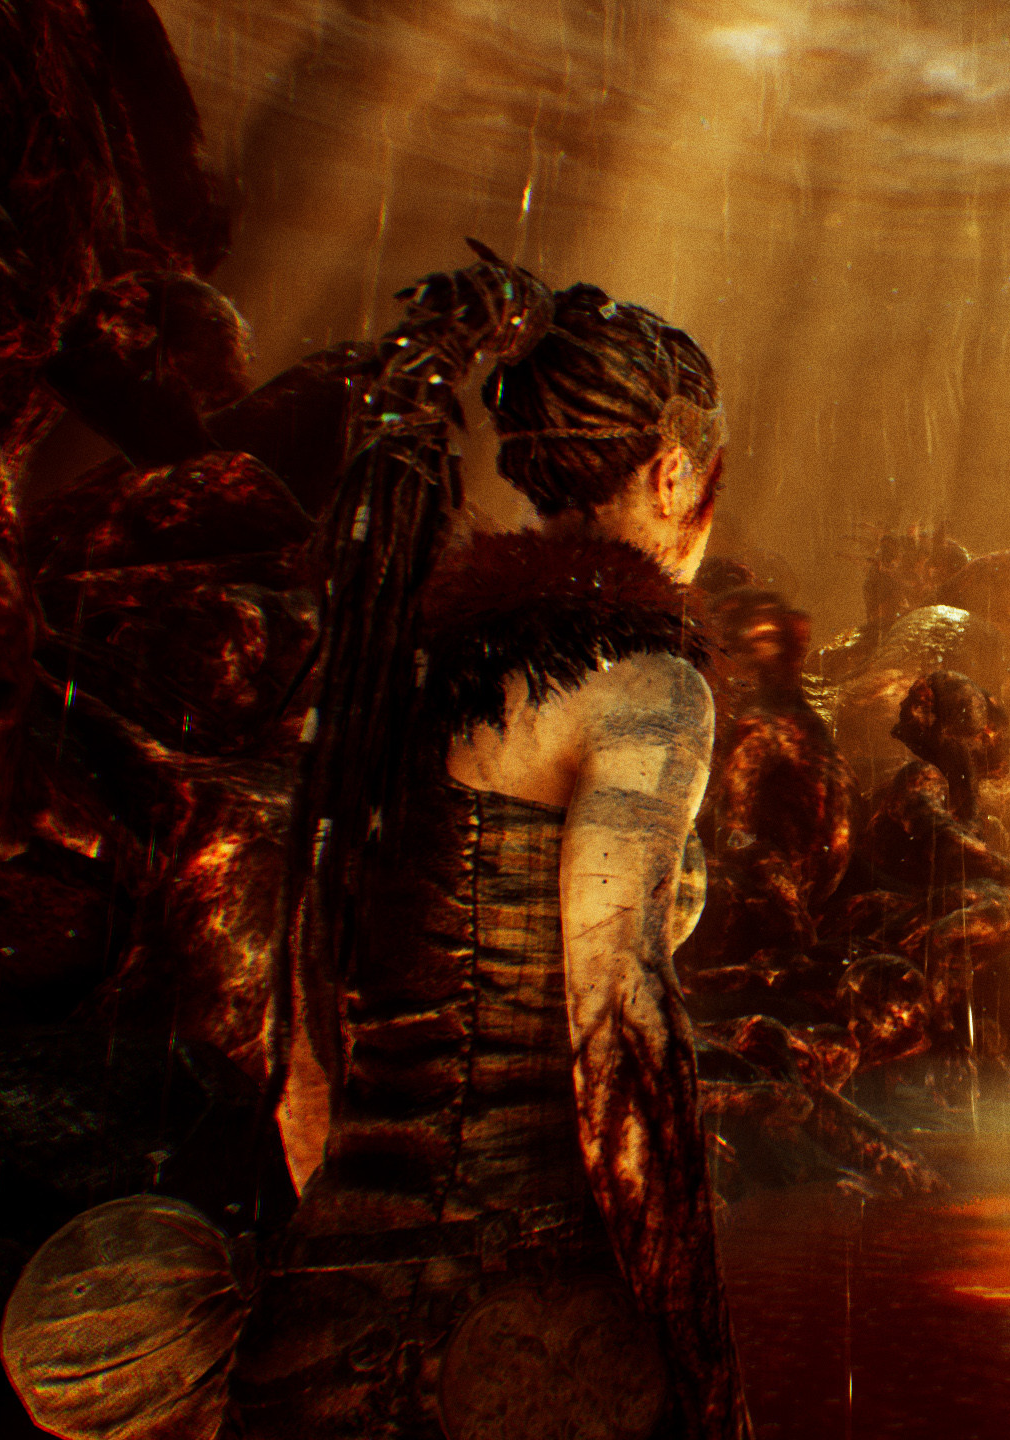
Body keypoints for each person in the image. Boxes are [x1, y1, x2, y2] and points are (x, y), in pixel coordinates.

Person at [234, 278, 747, 1439]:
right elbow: (621, 1026)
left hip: (316, 1315)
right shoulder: (643, 688)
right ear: (674, 474)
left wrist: (352, 1243)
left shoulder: (394, 670)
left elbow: (305, 1026)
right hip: (520, 1333)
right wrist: (698, 1356)